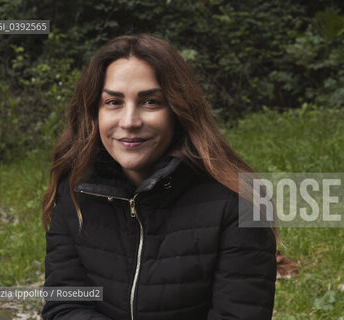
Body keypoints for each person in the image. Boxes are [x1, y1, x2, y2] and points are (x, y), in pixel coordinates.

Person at [41, 33, 277, 320]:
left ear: (178, 110)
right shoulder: (76, 190)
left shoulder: (238, 202)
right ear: (94, 112)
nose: (129, 122)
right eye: (113, 102)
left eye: (151, 102)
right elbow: (63, 305)